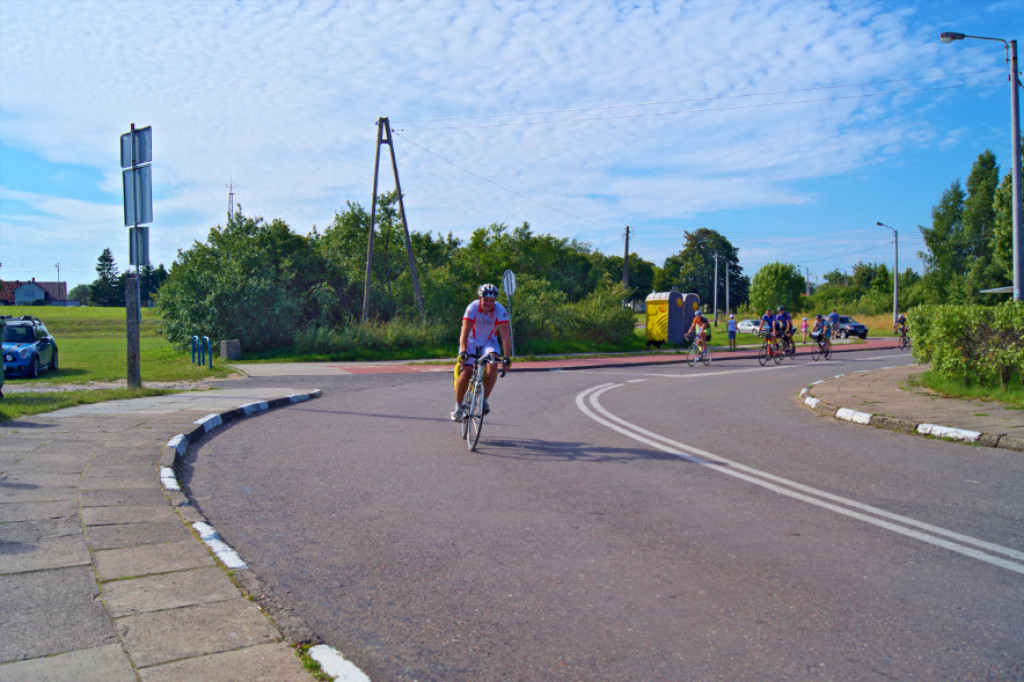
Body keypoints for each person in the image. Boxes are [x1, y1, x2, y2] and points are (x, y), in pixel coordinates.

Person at [451, 283, 512, 421]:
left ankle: (484, 400)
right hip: (471, 340)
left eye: (492, 301)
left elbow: (505, 336)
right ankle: (458, 407)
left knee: (493, 365)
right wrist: (463, 351)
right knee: (466, 371)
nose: (489, 304)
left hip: (489, 341)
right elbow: (465, 332)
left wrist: (507, 357)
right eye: (486, 300)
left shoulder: (499, 310)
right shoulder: (472, 308)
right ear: (480, 298)